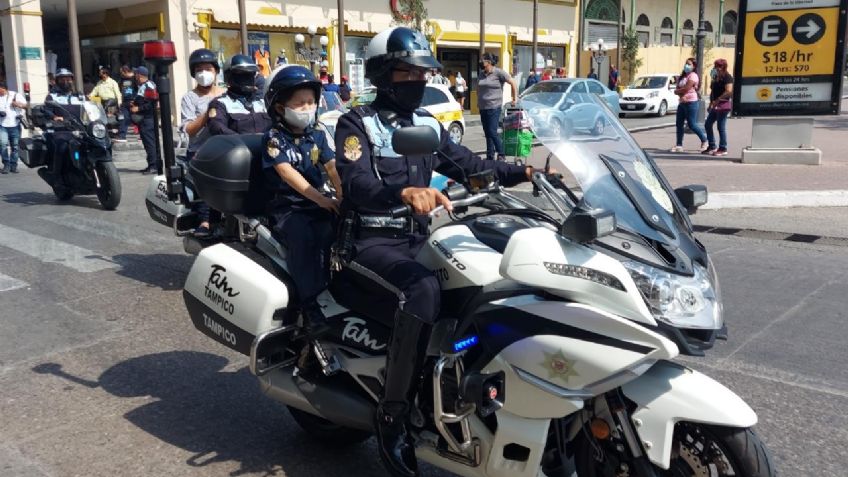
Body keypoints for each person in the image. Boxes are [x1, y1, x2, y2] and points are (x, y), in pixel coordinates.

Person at [333, 26, 544, 477]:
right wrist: (404, 191)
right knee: (423, 292)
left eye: (422, 72)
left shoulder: (427, 124)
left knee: (483, 283)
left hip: (415, 241)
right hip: (367, 242)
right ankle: (392, 418)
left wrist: (522, 170)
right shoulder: (358, 122)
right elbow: (357, 184)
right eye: (407, 72)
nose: (418, 81)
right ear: (384, 74)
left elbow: (469, 167)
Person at [262, 64, 343, 333]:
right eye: (300, 103)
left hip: (317, 203)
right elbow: (286, 173)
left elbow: (332, 168)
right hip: (288, 209)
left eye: (311, 102)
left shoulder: (317, 134)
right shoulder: (274, 138)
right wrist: (321, 199)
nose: (307, 108)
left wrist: (344, 198)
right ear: (280, 108)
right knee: (305, 240)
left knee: (341, 231)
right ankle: (309, 307)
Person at [205, 55, 273, 234]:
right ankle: (214, 226)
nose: (248, 79)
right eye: (242, 75)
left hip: (268, 159)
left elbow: (279, 123)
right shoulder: (221, 104)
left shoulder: (264, 103)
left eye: (250, 75)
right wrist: (243, 144)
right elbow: (217, 127)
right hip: (238, 160)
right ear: (230, 77)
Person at [180, 48, 226, 236]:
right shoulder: (189, 98)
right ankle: (205, 222)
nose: (204, 73)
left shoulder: (225, 94)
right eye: (199, 69)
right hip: (201, 150)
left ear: (216, 71)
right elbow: (189, 129)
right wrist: (208, 112)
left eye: (208, 68)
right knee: (206, 186)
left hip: (225, 148)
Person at [43, 68, 86, 188]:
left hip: (81, 129)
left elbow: (90, 108)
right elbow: (47, 111)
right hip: (62, 130)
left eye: (68, 78)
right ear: (57, 81)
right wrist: (55, 117)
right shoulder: (52, 97)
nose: (66, 81)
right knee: (62, 147)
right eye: (62, 79)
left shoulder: (80, 96)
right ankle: (56, 177)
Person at [477, 52, 517, 161]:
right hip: (483, 107)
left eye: (483, 60)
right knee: (487, 133)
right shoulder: (481, 74)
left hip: (494, 106)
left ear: (489, 62)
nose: (481, 62)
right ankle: (490, 156)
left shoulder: (499, 73)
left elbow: (513, 83)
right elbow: (479, 88)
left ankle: (501, 153)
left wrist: (515, 98)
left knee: (492, 131)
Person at [671, 57, 708, 153]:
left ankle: (704, 140)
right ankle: (679, 144)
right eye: (686, 64)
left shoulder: (693, 76)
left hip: (691, 102)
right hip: (682, 103)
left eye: (689, 64)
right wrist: (679, 94)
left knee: (692, 124)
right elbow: (678, 88)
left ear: (694, 66)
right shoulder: (683, 76)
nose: (686, 66)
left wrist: (678, 91)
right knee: (679, 124)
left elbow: (686, 88)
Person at [131, 66, 159, 174]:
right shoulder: (143, 86)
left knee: (150, 143)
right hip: (145, 119)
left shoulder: (148, 86)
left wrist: (138, 108)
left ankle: (153, 166)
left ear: (139, 75)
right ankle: (151, 164)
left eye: (136, 74)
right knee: (148, 142)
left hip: (147, 119)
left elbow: (152, 104)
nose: (135, 76)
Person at [704, 58, 733, 157]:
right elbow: (713, 92)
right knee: (708, 124)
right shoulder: (716, 77)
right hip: (715, 105)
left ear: (723, 67)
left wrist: (718, 99)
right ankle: (712, 146)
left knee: (721, 127)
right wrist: (711, 103)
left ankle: (723, 148)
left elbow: (729, 91)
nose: (716, 68)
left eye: (718, 66)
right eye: (715, 66)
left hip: (723, 105)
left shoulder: (727, 77)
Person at [0, 81, 27, 174]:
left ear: (5, 89)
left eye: (1, 91)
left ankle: (14, 165)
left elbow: (26, 106)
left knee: (15, 146)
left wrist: (18, 104)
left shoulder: (16, 95)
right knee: (2, 144)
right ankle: (6, 164)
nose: (1, 93)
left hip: (15, 124)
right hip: (2, 125)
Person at [116, 65, 136, 143]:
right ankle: (122, 136)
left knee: (137, 119)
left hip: (133, 101)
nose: (121, 74)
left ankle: (142, 134)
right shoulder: (121, 80)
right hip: (125, 102)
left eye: (122, 72)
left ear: (126, 71)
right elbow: (120, 90)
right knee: (123, 118)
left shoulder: (134, 79)